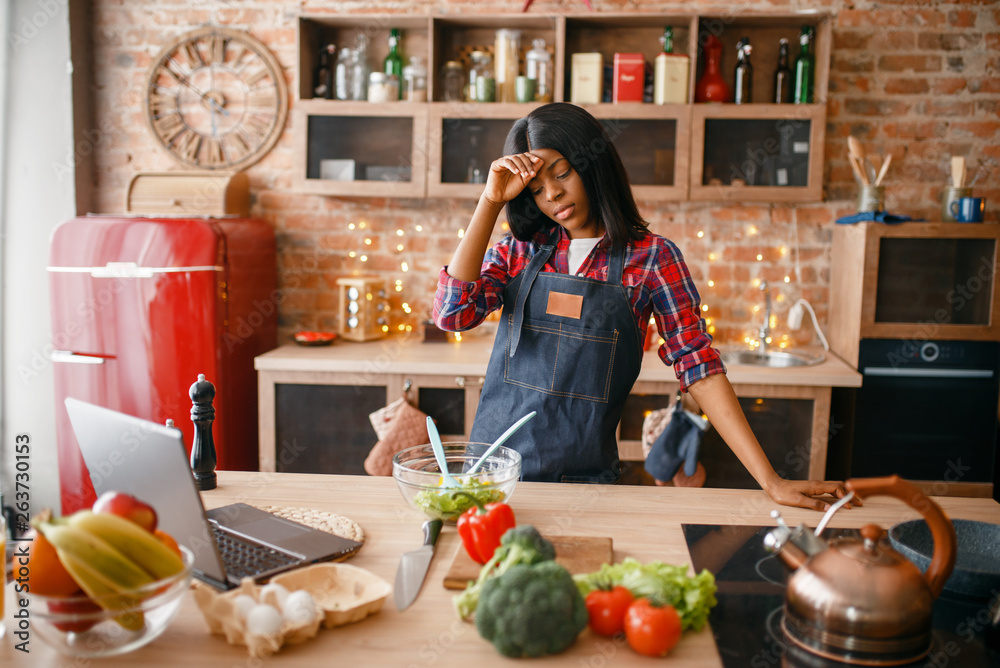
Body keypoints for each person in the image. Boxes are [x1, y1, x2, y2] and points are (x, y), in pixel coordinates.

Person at [432, 103, 852, 511]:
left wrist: (771, 481)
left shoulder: (653, 258)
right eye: (537, 189)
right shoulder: (520, 252)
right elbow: (453, 314)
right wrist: (489, 202)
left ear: (593, 164)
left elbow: (699, 366)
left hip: (585, 488)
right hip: (494, 479)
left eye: (562, 174)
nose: (553, 194)